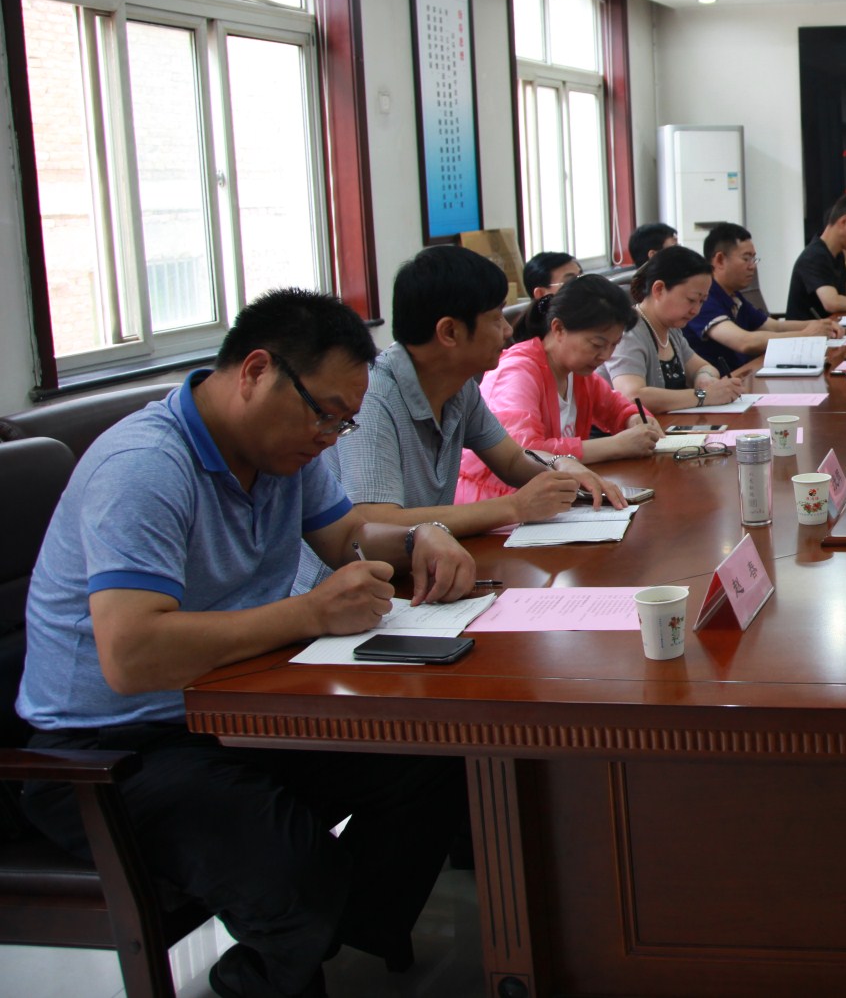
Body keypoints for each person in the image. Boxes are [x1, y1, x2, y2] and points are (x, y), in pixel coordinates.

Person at [17, 289, 477, 998]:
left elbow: (346, 535)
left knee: (432, 757)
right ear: (257, 370)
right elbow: (131, 655)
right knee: (294, 868)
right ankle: (261, 970)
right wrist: (308, 613)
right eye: (324, 413)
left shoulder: (283, 453)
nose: (330, 436)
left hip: (232, 709)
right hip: (110, 751)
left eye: (343, 422)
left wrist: (421, 537)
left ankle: (327, 937)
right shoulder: (145, 467)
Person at [333, 246, 623, 545]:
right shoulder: (373, 398)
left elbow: (511, 459)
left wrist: (560, 464)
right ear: (449, 332)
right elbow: (375, 520)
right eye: (496, 318)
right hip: (368, 572)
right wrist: (513, 507)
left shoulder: (458, 386)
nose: (507, 330)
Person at [457, 275, 662, 503]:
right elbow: (524, 452)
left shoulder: (577, 372)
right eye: (597, 344)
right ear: (558, 328)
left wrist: (634, 419)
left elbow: (616, 407)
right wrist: (616, 445)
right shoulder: (517, 372)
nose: (605, 355)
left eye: (613, 345)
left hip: (549, 499)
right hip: (496, 502)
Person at [605, 245, 754, 413]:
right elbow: (632, 396)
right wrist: (703, 395)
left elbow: (704, 367)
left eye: (702, 301)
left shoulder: (671, 329)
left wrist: (705, 378)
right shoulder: (628, 330)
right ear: (659, 290)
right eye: (691, 300)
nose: (696, 310)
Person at [688, 223, 841, 374]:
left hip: (744, 375)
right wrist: (806, 335)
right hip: (722, 383)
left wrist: (821, 325)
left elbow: (774, 326)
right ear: (720, 260)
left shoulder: (733, 296)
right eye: (746, 259)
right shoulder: (704, 298)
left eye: (754, 259)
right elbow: (744, 342)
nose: (752, 266)